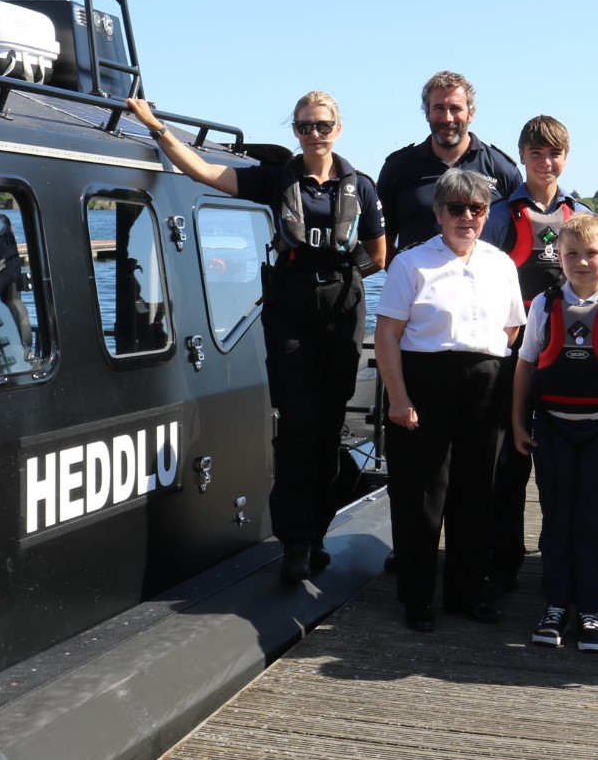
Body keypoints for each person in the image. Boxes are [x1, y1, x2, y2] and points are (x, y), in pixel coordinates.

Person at [126, 90, 387, 583]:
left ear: (339, 128)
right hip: (289, 311)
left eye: (323, 125)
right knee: (295, 428)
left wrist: (338, 280)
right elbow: (202, 172)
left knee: (330, 429)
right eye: (306, 126)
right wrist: (154, 126)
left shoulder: (362, 188)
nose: (315, 134)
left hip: (340, 312)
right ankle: (294, 543)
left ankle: (317, 535)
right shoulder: (274, 179)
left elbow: (378, 253)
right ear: (295, 130)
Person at [373, 169, 526, 631]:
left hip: (487, 384)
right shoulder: (410, 263)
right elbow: (386, 336)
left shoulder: (501, 264)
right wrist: (398, 399)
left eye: (476, 209)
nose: (466, 217)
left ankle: (466, 593)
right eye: (455, 208)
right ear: (439, 213)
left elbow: (512, 329)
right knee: (423, 495)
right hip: (426, 382)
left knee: (477, 493)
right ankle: (418, 597)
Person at [510, 214, 598, 651]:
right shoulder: (543, 307)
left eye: (591, 254)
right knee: (556, 521)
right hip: (553, 431)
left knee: (594, 522)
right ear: (560, 259)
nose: (582, 263)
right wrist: (516, 421)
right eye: (571, 255)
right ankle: (556, 606)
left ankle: (589, 610)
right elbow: (526, 365)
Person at [481, 115, 589, 590]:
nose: (546, 163)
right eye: (537, 153)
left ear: (566, 157)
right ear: (521, 155)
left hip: (566, 355)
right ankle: (504, 555)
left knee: (561, 463)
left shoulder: (582, 216)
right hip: (513, 352)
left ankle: (562, 556)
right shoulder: (502, 215)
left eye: (555, 153)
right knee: (507, 461)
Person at [377, 71, 522, 255]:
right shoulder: (398, 168)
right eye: (438, 108)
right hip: (418, 281)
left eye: (455, 108)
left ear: (471, 114)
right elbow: (383, 245)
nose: (447, 119)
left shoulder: (502, 169)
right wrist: (404, 277)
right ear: (427, 112)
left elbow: (518, 240)